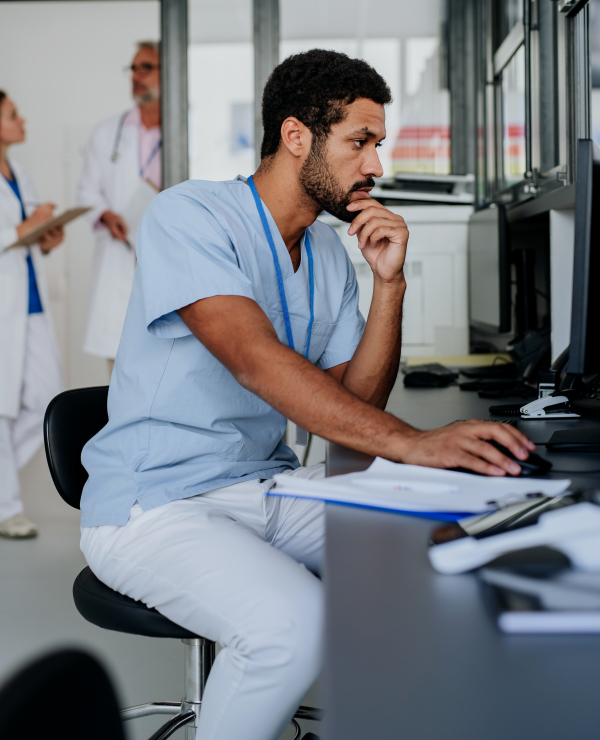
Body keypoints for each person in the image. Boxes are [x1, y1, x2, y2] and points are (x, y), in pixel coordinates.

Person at [79, 50, 534, 740]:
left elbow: (359, 402)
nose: (375, 165)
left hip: (265, 490)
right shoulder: (190, 215)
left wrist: (390, 285)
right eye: (360, 141)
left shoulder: (325, 252)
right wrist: (413, 444)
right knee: (292, 623)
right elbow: (256, 362)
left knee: (448, 538)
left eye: (376, 144)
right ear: (298, 137)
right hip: (154, 506)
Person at [0, 91, 64, 539]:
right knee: (0, 408)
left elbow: (21, 236)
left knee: (47, 398)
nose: (21, 120)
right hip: (5, 304)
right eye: (11, 115)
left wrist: (44, 237)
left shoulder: (17, 172)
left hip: (30, 301)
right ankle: (7, 508)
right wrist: (21, 229)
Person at [77, 41, 162, 373]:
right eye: (133, 68)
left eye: (146, 68)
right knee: (121, 370)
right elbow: (86, 191)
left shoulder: (182, 130)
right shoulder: (106, 132)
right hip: (121, 252)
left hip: (163, 253)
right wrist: (104, 214)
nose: (136, 76)